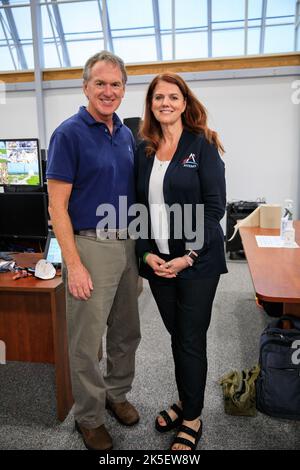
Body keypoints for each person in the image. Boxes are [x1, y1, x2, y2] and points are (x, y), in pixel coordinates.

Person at [46, 51, 141, 451]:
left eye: (115, 84)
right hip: (89, 244)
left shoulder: (125, 133)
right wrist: (74, 264)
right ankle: (89, 416)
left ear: (123, 90)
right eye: (100, 83)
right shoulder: (69, 133)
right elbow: (56, 207)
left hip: (128, 244)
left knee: (126, 331)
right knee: (87, 340)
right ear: (85, 86)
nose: (108, 91)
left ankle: (116, 394)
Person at [135, 73, 227, 451]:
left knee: (190, 339)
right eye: (159, 97)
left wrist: (188, 256)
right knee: (179, 337)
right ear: (151, 104)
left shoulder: (202, 144)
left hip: (197, 262)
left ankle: (192, 417)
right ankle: (187, 398)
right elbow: (137, 206)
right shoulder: (145, 148)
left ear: (185, 103)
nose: (166, 103)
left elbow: (214, 208)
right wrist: (146, 252)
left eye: (174, 97)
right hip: (159, 263)